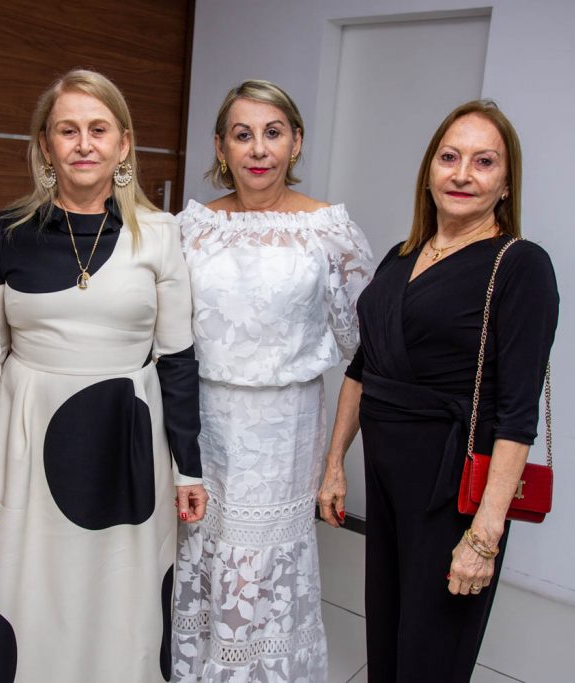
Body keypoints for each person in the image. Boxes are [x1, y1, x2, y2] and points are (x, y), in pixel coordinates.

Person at [0, 69, 207, 683]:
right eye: (67, 130)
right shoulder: (8, 231)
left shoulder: (160, 232)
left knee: (118, 587)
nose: (83, 144)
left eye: (98, 129)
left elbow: (178, 358)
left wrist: (189, 465)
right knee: (25, 580)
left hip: (127, 436)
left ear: (124, 144)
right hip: (26, 431)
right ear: (45, 146)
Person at [317, 99, 559, 681]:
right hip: (388, 481)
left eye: (483, 162)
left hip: (454, 496)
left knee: (432, 658)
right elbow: (362, 366)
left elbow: (517, 413)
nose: (462, 173)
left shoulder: (520, 265)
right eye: (449, 157)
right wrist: (334, 465)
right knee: (391, 643)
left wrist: (484, 536)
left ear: (505, 184)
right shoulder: (402, 258)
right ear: (429, 170)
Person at [172, 80, 374, 683]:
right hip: (202, 421)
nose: (258, 149)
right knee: (201, 550)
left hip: (284, 428)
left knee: (258, 564)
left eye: (273, 132)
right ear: (220, 147)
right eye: (242, 135)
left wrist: (337, 458)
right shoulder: (193, 229)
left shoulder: (326, 231)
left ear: (295, 142)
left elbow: (363, 345)